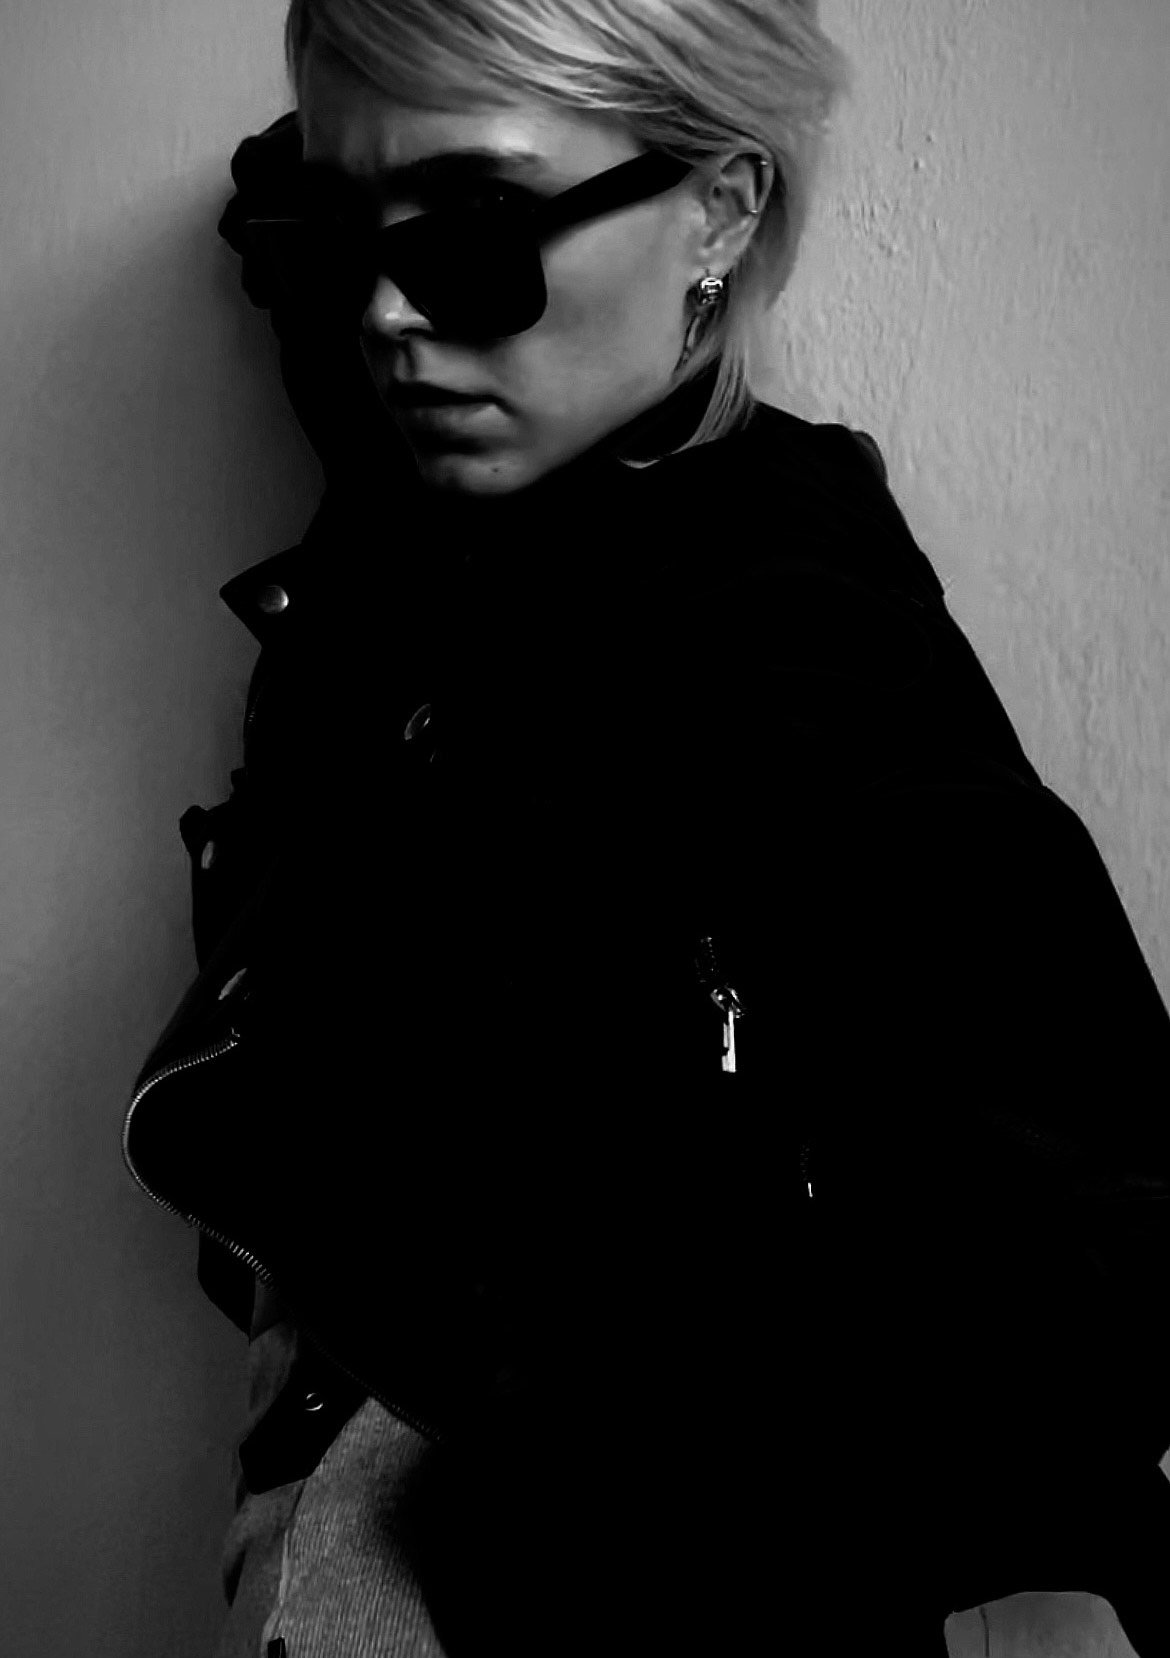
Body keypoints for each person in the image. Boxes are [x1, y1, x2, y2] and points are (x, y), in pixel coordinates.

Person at [122, 3, 1170, 1654]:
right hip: (311, 1528)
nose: (385, 314)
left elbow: (1094, 1291)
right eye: (343, 236)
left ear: (721, 212)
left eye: (472, 234)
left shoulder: (801, 644)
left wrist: (559, 1485)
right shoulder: (449, 448)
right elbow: (306, 211)